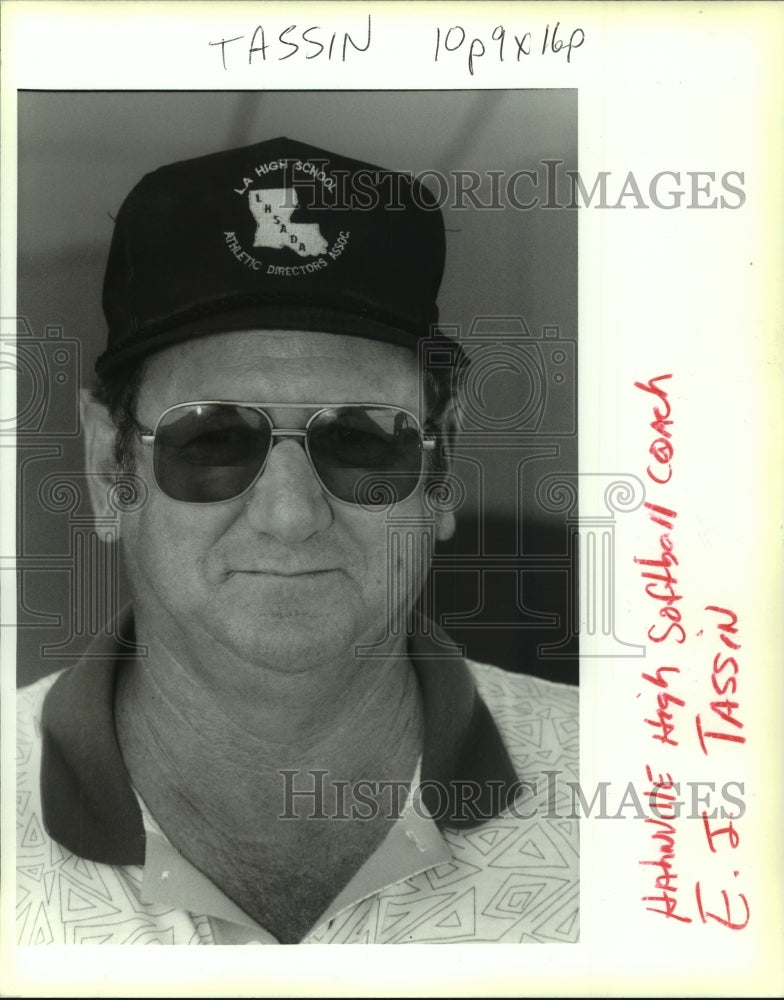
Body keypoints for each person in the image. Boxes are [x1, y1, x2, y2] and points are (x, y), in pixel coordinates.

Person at [16, 136, 578, 945]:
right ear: (109, 471)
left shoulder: (644, 788)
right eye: (210, 440)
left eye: (361, 439)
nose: (291, 514)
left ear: (443, 471)